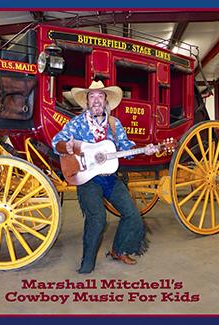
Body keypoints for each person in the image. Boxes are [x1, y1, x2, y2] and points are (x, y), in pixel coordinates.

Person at [52, 80, 158, 274]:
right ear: (86, 101)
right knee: (98, 218)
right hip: (88, 178)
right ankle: (87, 262)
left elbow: (126, 147)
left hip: (110, 177)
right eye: (92, 96)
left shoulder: (114, 124)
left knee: (133, 215)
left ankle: (119, 250)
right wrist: (65, 147)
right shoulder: (76, 123)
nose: (96, 100)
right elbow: (56, 141)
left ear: (106, 100)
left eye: (100, 96)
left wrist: (145, 150)